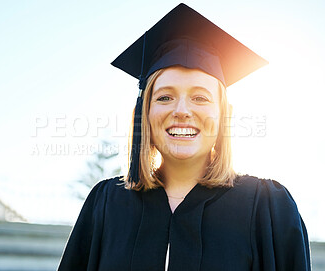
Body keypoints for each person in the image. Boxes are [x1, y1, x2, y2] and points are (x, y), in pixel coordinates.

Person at [57, 3, 311, 271]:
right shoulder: (106, 205)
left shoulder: (268, 209)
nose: (181, 111)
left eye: (200, 98)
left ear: (224, 114)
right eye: (165, 97)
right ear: (144, 112)